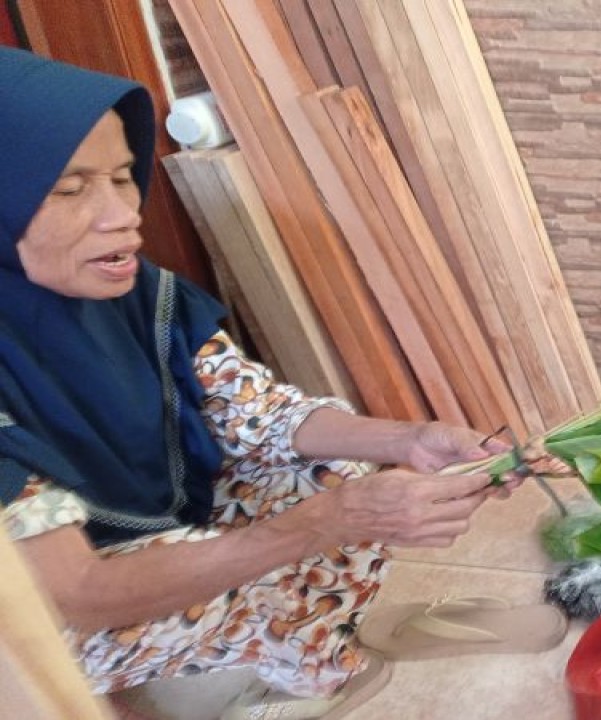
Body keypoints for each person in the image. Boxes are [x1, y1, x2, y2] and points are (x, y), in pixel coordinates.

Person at [0, 47, 527, 716]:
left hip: (132, 543)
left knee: (341, 477)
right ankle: (150, 685)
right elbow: (74, 591)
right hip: (37, 615)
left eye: (124, 175)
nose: (121, 214)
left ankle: (247, 661)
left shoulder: (132, 293)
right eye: (70, 189)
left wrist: (412, 438)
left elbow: (260, 411)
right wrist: (313, 527)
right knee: (269, 570)